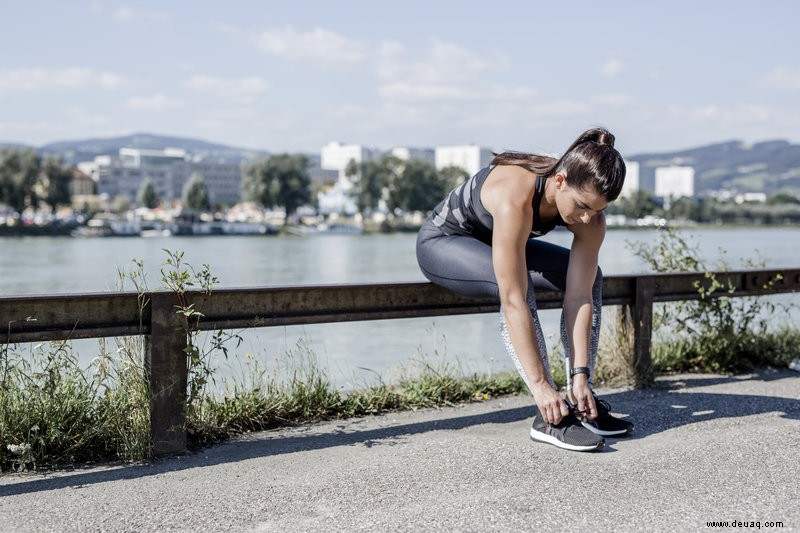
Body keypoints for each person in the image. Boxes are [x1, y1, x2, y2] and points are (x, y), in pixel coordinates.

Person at [416, 127, 633, 452]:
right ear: (560, 181)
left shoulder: (591, 219)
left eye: (597, 210)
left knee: (592, 277)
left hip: (503, 243)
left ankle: (578, 399)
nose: (587, 219)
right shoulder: (515, 196)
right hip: (445, 243)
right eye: (582, 206)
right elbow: (514, 299)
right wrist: (542, 386)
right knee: (518, 287)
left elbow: (579, 295)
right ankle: (549, 414)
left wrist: (581, 375)